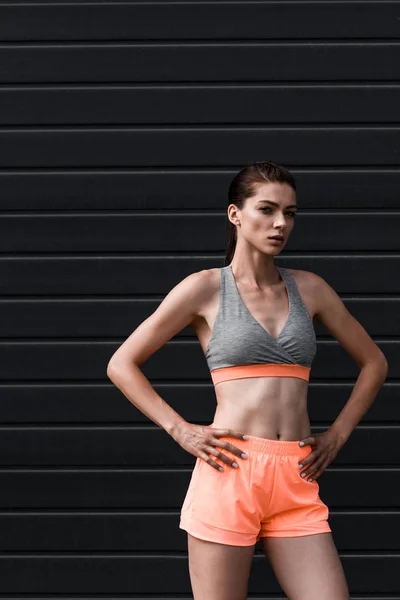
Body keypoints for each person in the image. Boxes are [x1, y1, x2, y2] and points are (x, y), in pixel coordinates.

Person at [107, 161, 388, 600]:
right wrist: (181, 430)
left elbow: (374, 362)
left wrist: (337, 435)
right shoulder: (204, 289)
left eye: (290, 213)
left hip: (295, 474)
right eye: (267, 209)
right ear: (235, 214)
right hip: (230, 472)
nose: (280, 224)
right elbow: (121, 363)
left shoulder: (310, 289)